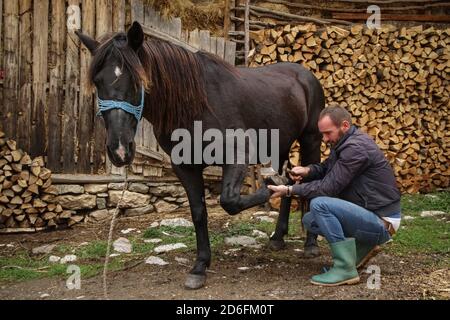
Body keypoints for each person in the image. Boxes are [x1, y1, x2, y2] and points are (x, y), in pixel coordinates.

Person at [268, 105, 402, 287]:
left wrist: (290, 191)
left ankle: (345, 269)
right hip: (370, 214)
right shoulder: (344, 143)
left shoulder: (356, 149)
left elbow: (328, 188)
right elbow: (326, 169)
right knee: (311, 220)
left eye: (327, 133)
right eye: (322, 134)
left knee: (320, 204)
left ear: (344, 125)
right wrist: (307, 170)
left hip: (383, 222)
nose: (324, 139)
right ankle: (360, 248)